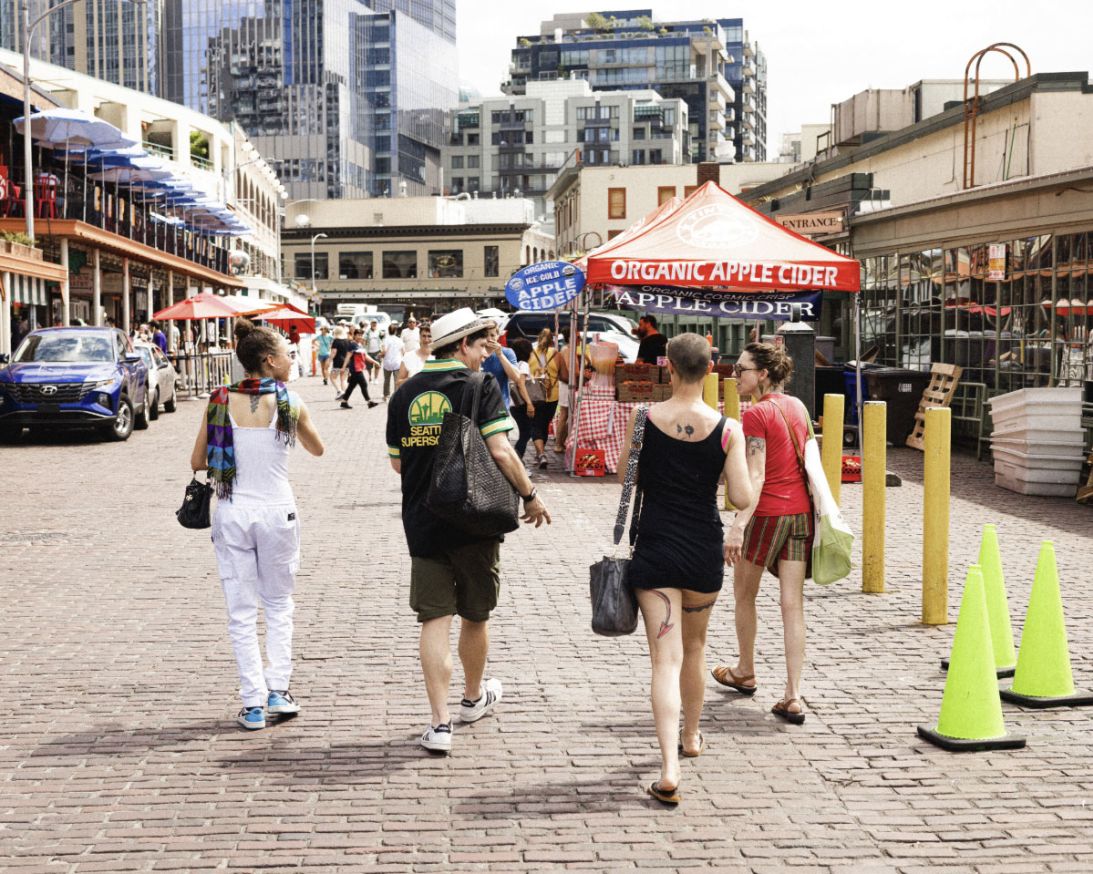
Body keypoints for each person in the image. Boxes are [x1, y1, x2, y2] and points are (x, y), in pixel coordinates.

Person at [386, 307, 551, 755]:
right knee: (476, 614)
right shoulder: (480, 387)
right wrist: (530, 494)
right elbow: (501, 449)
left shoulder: (404, 393)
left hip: (423, 518)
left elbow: (398, 462)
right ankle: (473, 699)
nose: (485, 354)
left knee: (434, 617)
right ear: (461, 345)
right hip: (476, 518)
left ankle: (439, 724)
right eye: (480, 345)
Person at [617, 333, 751, 805]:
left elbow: (624, 478)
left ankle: (668, 768)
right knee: (695, 649)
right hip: (702, 550)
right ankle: (690, 738)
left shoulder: (642, 419)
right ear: (711, 371)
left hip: (655, 550)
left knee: (664, 661)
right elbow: (741, 496)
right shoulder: (728, 429)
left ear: (668, 369)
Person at [188, 318, 325, 731]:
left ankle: (251, 702)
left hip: (232, 512)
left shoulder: (217, 401)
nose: (291, 357)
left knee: (241, 612)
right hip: (277, 511)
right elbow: (318, 449)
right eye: (286, 352)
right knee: (280, 604)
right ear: (269, 360)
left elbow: (198, 462)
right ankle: (278, 691)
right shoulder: (289, 401)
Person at [712, 342, 813, 726]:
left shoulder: (755, 415)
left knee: (744, 594)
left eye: (742, 370)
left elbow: (755, 476)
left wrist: (737, 526)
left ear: (764, 374)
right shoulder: (798, 407)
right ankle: (793, 693)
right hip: (800, 514)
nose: (735, 376)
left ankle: (745, 669)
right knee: (792, 605)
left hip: (766, 515)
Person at [527, 328, 561, 470]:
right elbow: (562, 373)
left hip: (535, 394)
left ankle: (540, 454)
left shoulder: (530, 354)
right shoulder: (556, 354)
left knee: (536, 424)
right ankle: (540, 453)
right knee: (545, 423)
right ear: (552, 340)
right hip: (552, 394)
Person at [508, 338, 536, 462]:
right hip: (520, 403)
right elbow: (521, 384)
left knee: (523, 432)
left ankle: (517, 459)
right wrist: (529, 403)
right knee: (526, 433)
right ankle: (517, 459)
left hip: (511, 402)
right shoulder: (523, 364)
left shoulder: (510, 363)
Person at [338, 329, 380, 409]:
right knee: (364, 384)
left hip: (359, 368)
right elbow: (348, 356)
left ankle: (344, 402)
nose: (360, 337)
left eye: (361, 335)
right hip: (355, 369)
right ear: (354, 335)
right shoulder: (352, 345)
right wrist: (343, 367)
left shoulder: (359, 345)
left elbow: (366, 356)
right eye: (358, 335)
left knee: (351, 386)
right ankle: (369, 402)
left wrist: (375, 362)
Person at [396, 322, 432, 387]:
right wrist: (413, 379)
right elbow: (398, 383)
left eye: (429, 336)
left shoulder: (439, 357)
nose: (426, 340)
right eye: (424, 336)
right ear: (419, 337)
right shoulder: (408, 356)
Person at [381, 323, 403, 401]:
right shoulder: (399, 340)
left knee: (387, 380)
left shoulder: (385, 340)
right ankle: (396, 396)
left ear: (388, 330)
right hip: (397, 362)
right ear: (396, 331)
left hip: (387, 362)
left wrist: (379, 356)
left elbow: (384, 351)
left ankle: (386, 395)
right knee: (396, 380)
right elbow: (402, 351)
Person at [329, 325, 351, 397]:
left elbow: (333, 352)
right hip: (346, 362)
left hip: (338, 362)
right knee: (344, 379)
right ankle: (345, 394)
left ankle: (339, 391)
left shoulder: (336, 341)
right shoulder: (347, 341)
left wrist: (329, 361)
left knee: (332, 377)